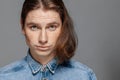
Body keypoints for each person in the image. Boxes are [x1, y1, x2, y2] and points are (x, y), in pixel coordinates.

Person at [0, 0, 97, 80]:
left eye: (51, 27)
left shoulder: (84, 76)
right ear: (22, 27)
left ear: (62, 27)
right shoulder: (4, 76)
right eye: (34, 27)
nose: (43, 39)